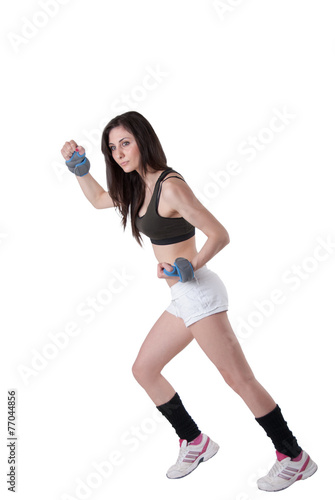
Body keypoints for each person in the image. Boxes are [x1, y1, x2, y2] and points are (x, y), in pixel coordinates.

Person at [60, 111, 317, 491]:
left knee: (238, 379)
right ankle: (195, 441)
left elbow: (219, 233)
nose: (118, 153)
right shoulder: (136, 186)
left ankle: (294, 456)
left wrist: (188, 266)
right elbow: (99, 199)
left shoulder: (170, 186)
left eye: (125, 143)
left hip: (199, 292)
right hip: (184, 296)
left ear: (143, 140)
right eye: (112, 148)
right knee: (144, 370)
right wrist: (80, 169)